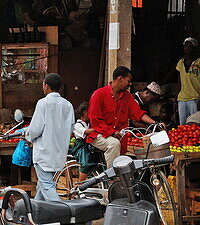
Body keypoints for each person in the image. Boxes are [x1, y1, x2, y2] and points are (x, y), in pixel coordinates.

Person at [87, 66, 156, 166]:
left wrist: (154, 123)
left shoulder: (127, 96)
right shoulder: (99, 94)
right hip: (99, 134)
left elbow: (138, 113)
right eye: (129, 81)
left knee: (141, 146)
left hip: (119, 136)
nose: (130, 84)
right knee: (114, 144)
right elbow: (95, 121)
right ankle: (112, 178)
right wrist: (112, 132)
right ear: (120, 79)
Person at [23, 73, 75, 202]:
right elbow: (71, 127)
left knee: (47, 186)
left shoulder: (43, 103)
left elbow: (35, 128)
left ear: (46, 86)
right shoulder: (67, 105)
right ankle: (36, 212)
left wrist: (27, 136)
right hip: (59, 152)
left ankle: (61, 212)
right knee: (42, 184)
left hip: (44, 152)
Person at [170, 37, 200, 125]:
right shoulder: (180, 62)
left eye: (190, 46)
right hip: (182, 98)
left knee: (194, 123)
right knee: (182, 124)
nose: (187, 48)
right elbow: (179, 82)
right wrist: (176, 99)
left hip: (195, 97)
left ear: (195, 48)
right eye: (186, 46)